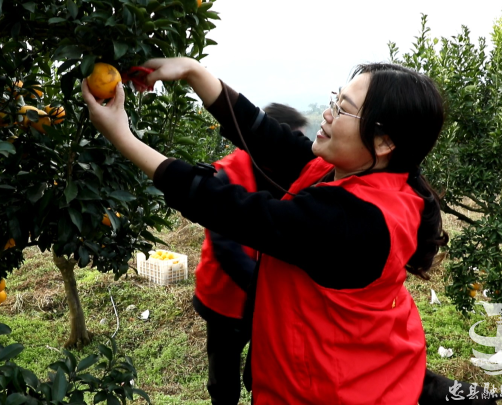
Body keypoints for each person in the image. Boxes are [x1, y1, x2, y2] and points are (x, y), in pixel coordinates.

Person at [82, 57, 448, 404]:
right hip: (334, 368)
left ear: (385, 142)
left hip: (334, 389)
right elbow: (265, 135)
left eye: (343, 109)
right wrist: (194, 73)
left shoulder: (358, 222)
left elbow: (231, 210)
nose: (327, 112)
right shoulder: (339, 171)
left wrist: (124, 138)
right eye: (335, 99)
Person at [195, 104, 307, 405]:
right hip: (226, 296)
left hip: (268, 299)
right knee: (223, 377)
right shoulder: (226, 175)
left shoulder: (296, 177)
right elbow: (226, 248)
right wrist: (266, 287)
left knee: (263, 368)